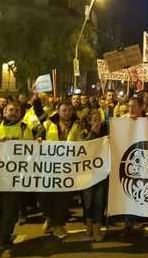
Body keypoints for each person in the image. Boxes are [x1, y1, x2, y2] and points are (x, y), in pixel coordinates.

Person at [0, 103, 34, 249]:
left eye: (17, 110)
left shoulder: (24, 128)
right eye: (11, 110)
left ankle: (4, 236)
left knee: (10, 208)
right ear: (4, 111)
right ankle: (3, 229)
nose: (14, 112)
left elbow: (30, 149)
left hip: (15, 177)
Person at [40, 102, 82, 238]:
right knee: (46, 197)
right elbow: (37, 138)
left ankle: (58, 225)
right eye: (64, 110)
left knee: (63, 199)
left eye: (70, 110)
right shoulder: (47, 124)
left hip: (69, 168)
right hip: (49, 168)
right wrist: (38, 139)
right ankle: (50, 218)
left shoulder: (79, 125)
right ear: (58, 111)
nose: (67, 112)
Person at [81, 110, 108, 242]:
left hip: (101, 175)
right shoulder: (85, 134)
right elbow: (83, 149)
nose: (98, 123)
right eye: (95, 120)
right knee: (87, 203)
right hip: (87, 175)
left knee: (99, 202)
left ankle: (97, 229)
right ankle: (89, 226)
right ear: (90, 122)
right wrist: (92, 133)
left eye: (99, 119)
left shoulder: (106, 134)